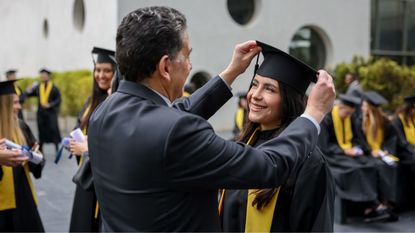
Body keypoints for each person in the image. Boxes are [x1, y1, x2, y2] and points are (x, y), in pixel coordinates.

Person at [88, 6, 335, 232]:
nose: (189, 65)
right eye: (186, 56)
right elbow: (268, 165)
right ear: (165, 67)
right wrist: (313, 115)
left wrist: (230, 74)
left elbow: (173, 115)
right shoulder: (178, 132)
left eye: (269, 89)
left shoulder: (103, 114)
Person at [219, 41, 335, 232]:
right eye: (254, 84)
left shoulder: (309, 162)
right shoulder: (240, 144)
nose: (255, 95)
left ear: (288, 99)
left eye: (269, 89)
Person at [68, 47, 116, 232]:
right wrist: (73, 142)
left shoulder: (114, 102)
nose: (101, 75)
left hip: (102, 179)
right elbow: (78, 127)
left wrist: (86, 149)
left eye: (107, 71)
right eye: (98, 70)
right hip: (86, 175)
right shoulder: (91, 101)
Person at [0, 80, 45, 232]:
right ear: (3, 105)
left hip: (23, 199)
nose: (19, 107)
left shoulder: (21, 127)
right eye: (15, 103)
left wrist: (36, 157)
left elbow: (36, 163)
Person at [357, 91, 399, 222]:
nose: (362, 108)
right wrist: (370, 151)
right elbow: (358, 140)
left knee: (391, 166)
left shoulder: (385, 121)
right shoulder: (359, 120)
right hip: (367, 154)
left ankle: (387, 204)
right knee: (377, 166)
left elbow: (391, 138)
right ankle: (377, 205)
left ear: (370, 107)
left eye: (364, 105)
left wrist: (386, 150)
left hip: (381, 153)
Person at [25, 68, 61, 152]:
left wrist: (50, 104)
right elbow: (29, 94)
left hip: (51, 113)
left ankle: (56, 147)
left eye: (45, 76)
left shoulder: (54, 88)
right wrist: (29, 90)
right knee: (41, 131)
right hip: (41, 113)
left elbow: (58, 99)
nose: (43, 77)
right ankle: (41, 149)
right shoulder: (38, 87)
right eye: (42, 76)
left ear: (48, 77)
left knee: (53, 129)